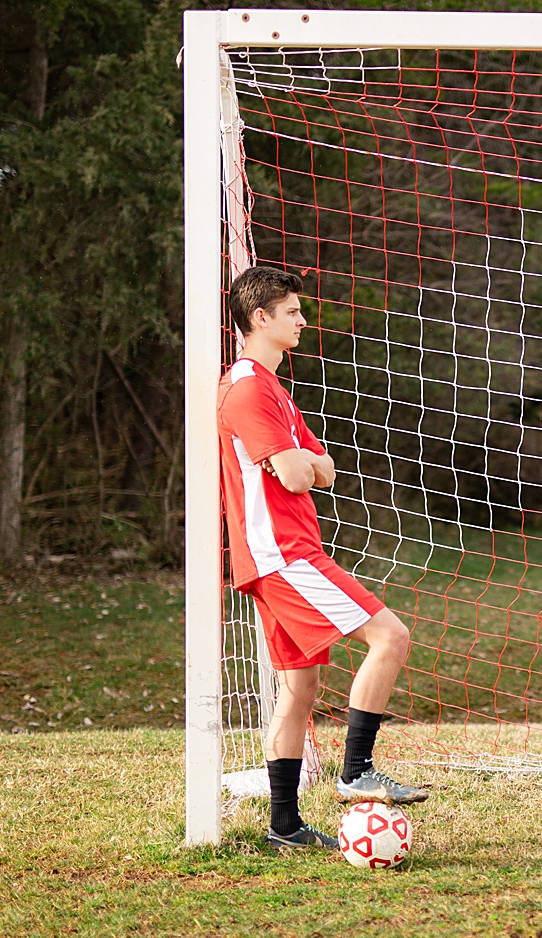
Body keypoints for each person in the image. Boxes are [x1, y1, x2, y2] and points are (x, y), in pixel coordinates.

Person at [217, 264, 430, 851]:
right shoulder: (247, 388)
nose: (303, 321)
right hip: (283, 554)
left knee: (300, 689)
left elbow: (326, 472)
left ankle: (283, 825)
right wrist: (298, 464)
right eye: (292, 313)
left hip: (280, 555)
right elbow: (292, 473)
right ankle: (356, 770)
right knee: (390, 636)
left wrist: (302, 465)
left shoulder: (276, 390)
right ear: (260, 319)